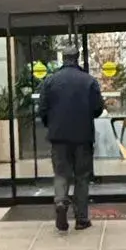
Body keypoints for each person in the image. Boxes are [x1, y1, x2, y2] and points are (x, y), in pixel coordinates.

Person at [35, 41, 104, 232]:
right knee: (82, 177)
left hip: (58, 138)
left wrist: (53, 125)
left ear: (63, 59)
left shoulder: (50, 81)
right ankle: (81, 219)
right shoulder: (89, 80)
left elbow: (42, 109)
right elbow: (98, 108)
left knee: (61, 173)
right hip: (83, 137)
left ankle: (60, 203)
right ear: (77, 58)